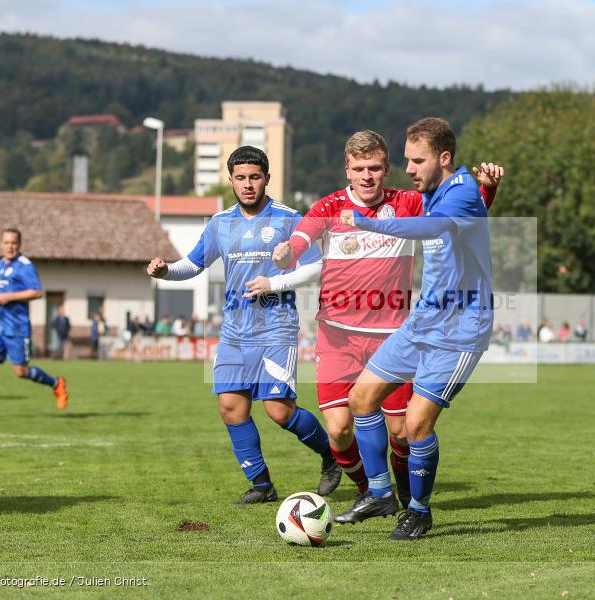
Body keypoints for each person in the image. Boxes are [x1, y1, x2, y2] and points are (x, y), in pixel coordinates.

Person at [270, 129, 501, 519]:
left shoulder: (409, 202)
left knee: (401, 432)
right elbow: (303, 236)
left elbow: (464, 215)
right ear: (347, 168)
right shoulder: (330, 205)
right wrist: (287, 252)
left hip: (390, 332)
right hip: (337, 335)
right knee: (340, 429)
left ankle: (404, 493)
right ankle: (371, 493)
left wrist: (487, 190)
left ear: (385, 169)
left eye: (375, 168)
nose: (367, 176)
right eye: (359, 168)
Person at [146, 145, 336, 503]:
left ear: (266, 177)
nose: (248, 184)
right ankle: (262, 486)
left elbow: (316, 265)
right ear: (230, 180)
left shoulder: (288, 218)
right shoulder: (220, 223)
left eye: (254, 177)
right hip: (234, 330)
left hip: (276, 327)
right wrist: (166, 271)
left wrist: (274, 283)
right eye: (240, 178)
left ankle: (333, 457)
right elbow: (193, 264)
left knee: (279, 411)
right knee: (231, 407)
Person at [339, 117, 494, 540]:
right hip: (424, 320)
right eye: (406, 160)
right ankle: (381, 493)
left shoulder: (459, 192)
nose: (408, 169)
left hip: (461, 328)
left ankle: (420, 511)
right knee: (361, 397)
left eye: (416, 160)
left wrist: (367, 222)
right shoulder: (438, 190)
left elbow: (435, 226)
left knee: (415, 425)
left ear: (443, 158)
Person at [0, 228, 68, 419]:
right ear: (1, 244)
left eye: (14, 243)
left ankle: (56, 383)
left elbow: (37, 292)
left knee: (21, 371)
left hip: (16, 328)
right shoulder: (0, 264)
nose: (10, 247)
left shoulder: (25, 266)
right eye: (6, 242)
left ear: (19, 245)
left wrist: (10, 297)